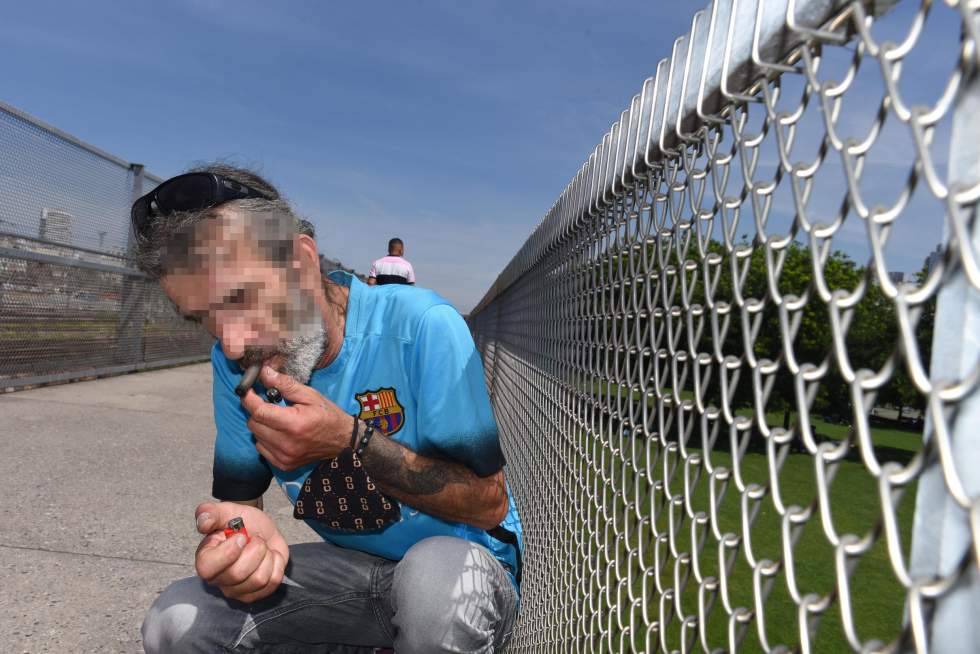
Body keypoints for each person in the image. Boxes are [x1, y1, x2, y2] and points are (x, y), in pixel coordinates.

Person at [133, 164, 522, 653]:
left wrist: (348, 439)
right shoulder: (234, 364)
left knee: (432, 588)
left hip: (462, 571)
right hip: (352, 573)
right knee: (176, 622)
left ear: (301, 260)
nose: (231, 344)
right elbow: (239, 507)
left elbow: (489, 504)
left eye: (240, 299)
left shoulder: (424, 326)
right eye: (204, 318)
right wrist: (235, 549)